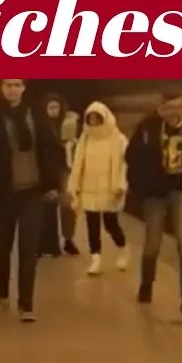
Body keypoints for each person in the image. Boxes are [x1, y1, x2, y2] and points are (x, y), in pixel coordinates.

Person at [0, 78, 64, 323]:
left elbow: (51, 148)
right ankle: (2, 287)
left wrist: (52, 184)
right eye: (8, 85)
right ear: (0, 88)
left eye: (17, 85)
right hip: (4, 193)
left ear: (24, 87)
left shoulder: (35, 114)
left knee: (29, 247)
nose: (13, 90)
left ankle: (26, 303)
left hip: (33, 191)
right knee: (3, 245)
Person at [125, 86, 182, 311]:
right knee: (152, 245)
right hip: (155, 193)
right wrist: (140, 185)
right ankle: (146, 286)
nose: (173, 113)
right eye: (168, 108)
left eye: (177, 107)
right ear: (160, 107)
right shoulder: (148, 126)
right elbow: (131, 155)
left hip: (181, 191)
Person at [67, 101, 129, 276]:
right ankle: (96, 259)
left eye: (97, 118)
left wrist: (121, 185)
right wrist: (74, 186)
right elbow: (78, 163)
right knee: (92, 225)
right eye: (90, 118)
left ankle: (122, 247)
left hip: (110, 189)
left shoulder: (118, 139)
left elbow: (125, 164)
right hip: (89, 188)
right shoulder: (85, 138)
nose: (93, 122)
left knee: (111, 224)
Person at [39, 93, 81, 257]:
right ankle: (47, 244)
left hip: (65, 169)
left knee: (67, 206)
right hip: (47, 170)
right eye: (50, 107)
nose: (53, 111)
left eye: (56, 107)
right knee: (47, 206)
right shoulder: (40, 126)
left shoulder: (68, 124)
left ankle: (68, 239)